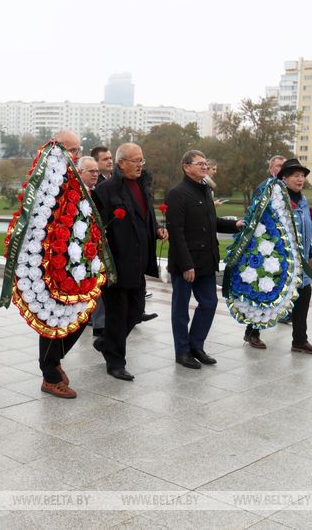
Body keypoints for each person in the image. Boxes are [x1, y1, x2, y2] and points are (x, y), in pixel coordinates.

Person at [93, 142, 167, 380]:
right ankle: (115, 362)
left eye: (141, 160)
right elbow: (97, 230)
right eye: (135, 161)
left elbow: (146, 216)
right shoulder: (106, 190)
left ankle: (106, 342)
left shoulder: (144, 185)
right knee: (117, 314)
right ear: (121, 163)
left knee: (135, 312)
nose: (139, 165)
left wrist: (156, 229)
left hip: (138, 262)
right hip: (116, 264)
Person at [166, 151, 244, 369]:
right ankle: (182, 352)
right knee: (181, 310)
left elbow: (212, 222)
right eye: (200, 164)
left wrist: (234, 225)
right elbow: (176, 231)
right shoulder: (177, 193)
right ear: (186, 167)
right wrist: (186, 264)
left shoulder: (206, 191)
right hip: (187, 263)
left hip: (207, 260)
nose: (204, 168)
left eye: (206, 164)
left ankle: (196, 346)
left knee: (209, 303)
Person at [277, 159, 312, 355]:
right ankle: (252, 331)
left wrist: (310, 253)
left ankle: (299, 341)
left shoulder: (302, 200)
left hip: (301, 261)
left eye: (302, 175)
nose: (300, 179)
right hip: (281, 261)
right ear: (284, 178)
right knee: (273, 298)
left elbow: (306, 230)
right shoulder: (277, 199)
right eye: (295, 175)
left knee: (303, 297)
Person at [244, 154, 287, 348]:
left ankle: (274, 318)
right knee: (262, 285)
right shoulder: (264, 187)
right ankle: (252, 332)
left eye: (284, 166)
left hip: (281, 244)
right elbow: (256, 215)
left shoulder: (286, 188)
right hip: (265, 244)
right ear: (271, 169)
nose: (281, 169)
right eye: (278, 166)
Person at [76, 155, 106, 338]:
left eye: (97, 171)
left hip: (96, 250)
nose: (96, 174)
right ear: (80, 172)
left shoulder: (98, 192)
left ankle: (98, 322)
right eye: (91, 171)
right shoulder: (75, 194)